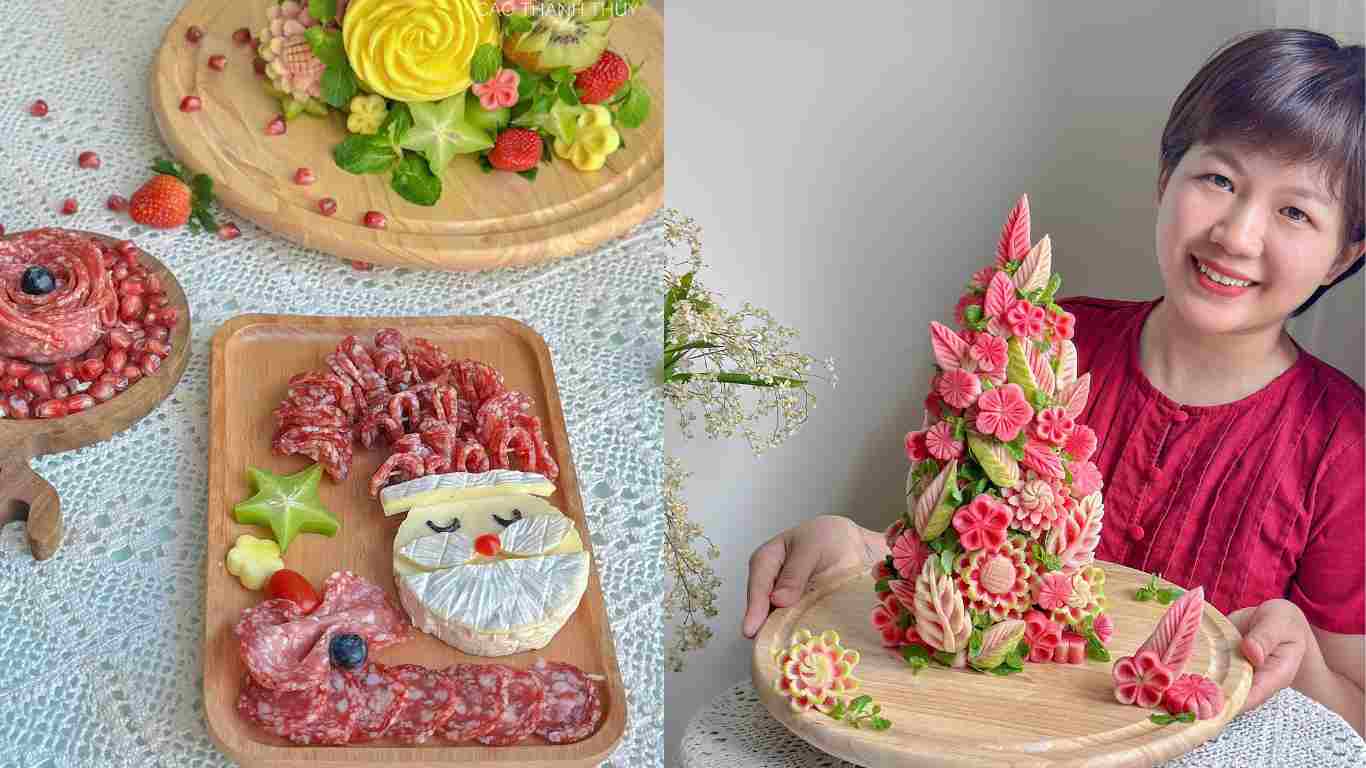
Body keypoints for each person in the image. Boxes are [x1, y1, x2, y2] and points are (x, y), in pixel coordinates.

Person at [742, 28, 1365, 735]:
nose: (1238, 235)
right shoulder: (1041, 347)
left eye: (1295, 212)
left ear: (1344, 256)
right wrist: (853, 549)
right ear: (1167, 176)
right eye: (1219, 180)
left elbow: (1357, 716)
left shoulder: (1345, 447)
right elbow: (962, 569)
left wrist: (1301, 655)